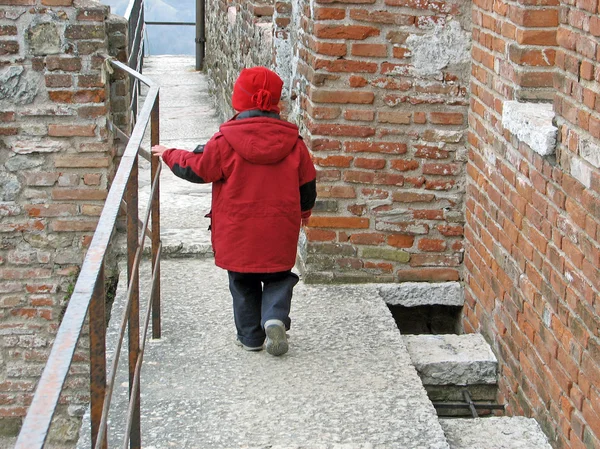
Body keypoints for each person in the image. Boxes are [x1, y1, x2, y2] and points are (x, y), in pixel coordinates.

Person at [151, 67, 317, 356]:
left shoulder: (224, 141)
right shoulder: (295, 144)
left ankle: (251, 337)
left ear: (239, 100)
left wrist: (169, 153)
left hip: (237, 232)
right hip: (279, 228)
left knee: (242, 282)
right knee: (279, 276)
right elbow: (307, 186)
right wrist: (304, 214)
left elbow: (197, 169)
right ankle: (274, 317)